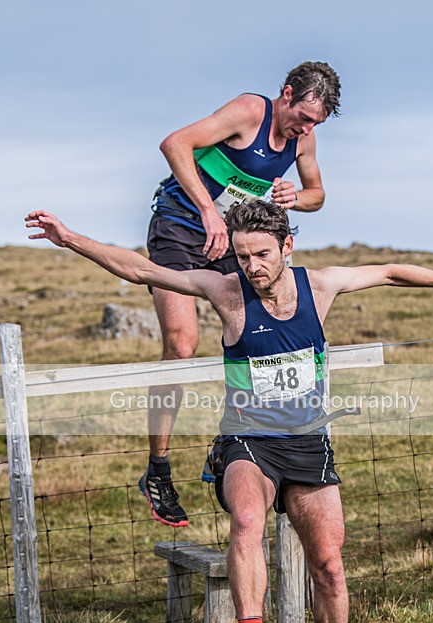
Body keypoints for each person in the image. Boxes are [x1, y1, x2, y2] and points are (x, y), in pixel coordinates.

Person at [25, 202, 433, 623]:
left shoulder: (319, 286)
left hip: (307, 443)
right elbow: (145, 270)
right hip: (247, 441)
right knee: (247, 520)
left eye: (261, 255)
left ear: (286, 247)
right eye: (241, 256)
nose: (251, 267)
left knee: (329, 565)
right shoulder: (227, 292)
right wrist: (70, 239)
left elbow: (389, 272)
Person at [143, 61, 341, 529]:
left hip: (234, 243)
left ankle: (244, 448)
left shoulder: (304, 138)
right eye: (303, 116)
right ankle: (158, 467)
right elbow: (174, 143)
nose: (306, 129)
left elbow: (318, 194)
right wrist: (209, 211)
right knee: (182, 342)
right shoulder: (249, 111)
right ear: (287, 93)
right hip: (182, 227)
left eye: (315, 123)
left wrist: (297, 197)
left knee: (262, 334)